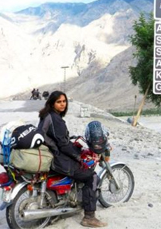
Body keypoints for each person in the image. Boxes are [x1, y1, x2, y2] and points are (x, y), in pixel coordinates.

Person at [38, 90, 107, 228]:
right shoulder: (56, 119)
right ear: (52, 103)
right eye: (59, 102)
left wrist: (71, 141)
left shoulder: (47, 116)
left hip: (53, 153)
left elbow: (58, 139)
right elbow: (63, 145)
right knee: (91, 176)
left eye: (64, 101)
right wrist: (78, 157)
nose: (62, 104)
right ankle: (89, 217)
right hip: (59, 159)